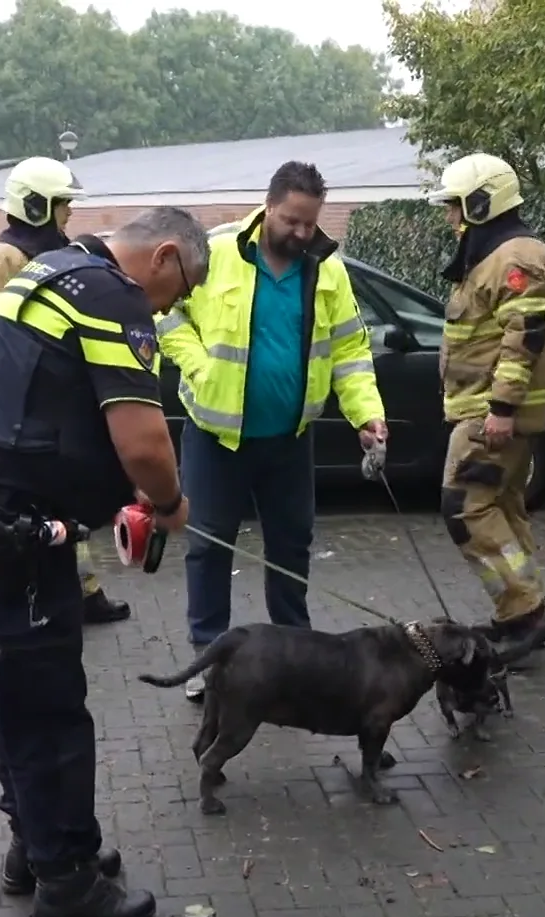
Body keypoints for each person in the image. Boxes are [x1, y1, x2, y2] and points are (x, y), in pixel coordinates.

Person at [0, 206, 209, 917]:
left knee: (9, 688)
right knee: (49, 709)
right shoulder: (111, 294)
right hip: (9, 526)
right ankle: (68, 884)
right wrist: (168, 503)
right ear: (165, 256)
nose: (168, 308)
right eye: (181, 289)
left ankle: (38, 844)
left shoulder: (50, 271)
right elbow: (145, 443)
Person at [157, 161, 386, 703]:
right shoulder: (215, 252)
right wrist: (199, 365)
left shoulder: (327, 270)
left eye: (310, 222)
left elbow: (351, 351)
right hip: (216, 437)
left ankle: (297, 657)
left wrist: (366, 415)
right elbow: (165, 312)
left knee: (291, 545)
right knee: (209, 546)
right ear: (268, 207)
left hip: (289, 440)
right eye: (291, 220)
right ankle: (209, 659)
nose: (302, 233)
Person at [0, 156, 133, 661]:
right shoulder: (8, 255)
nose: (69, 213)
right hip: (9, 415)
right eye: (62, 204)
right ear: (36, 205)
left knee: (63, 509)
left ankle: (84, 592)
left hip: (44, 409)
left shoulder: (51, 253)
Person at [425, 153, 545, 655]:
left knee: (464, 507)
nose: (449, 216)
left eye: (454, 205)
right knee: (501, 507)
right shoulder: (498, 254)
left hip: (491, 417)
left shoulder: (514, 256)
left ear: (480, 204)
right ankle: (521, 612)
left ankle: (526, 613)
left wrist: (501, 409)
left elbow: (524, 335)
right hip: (488, 412)